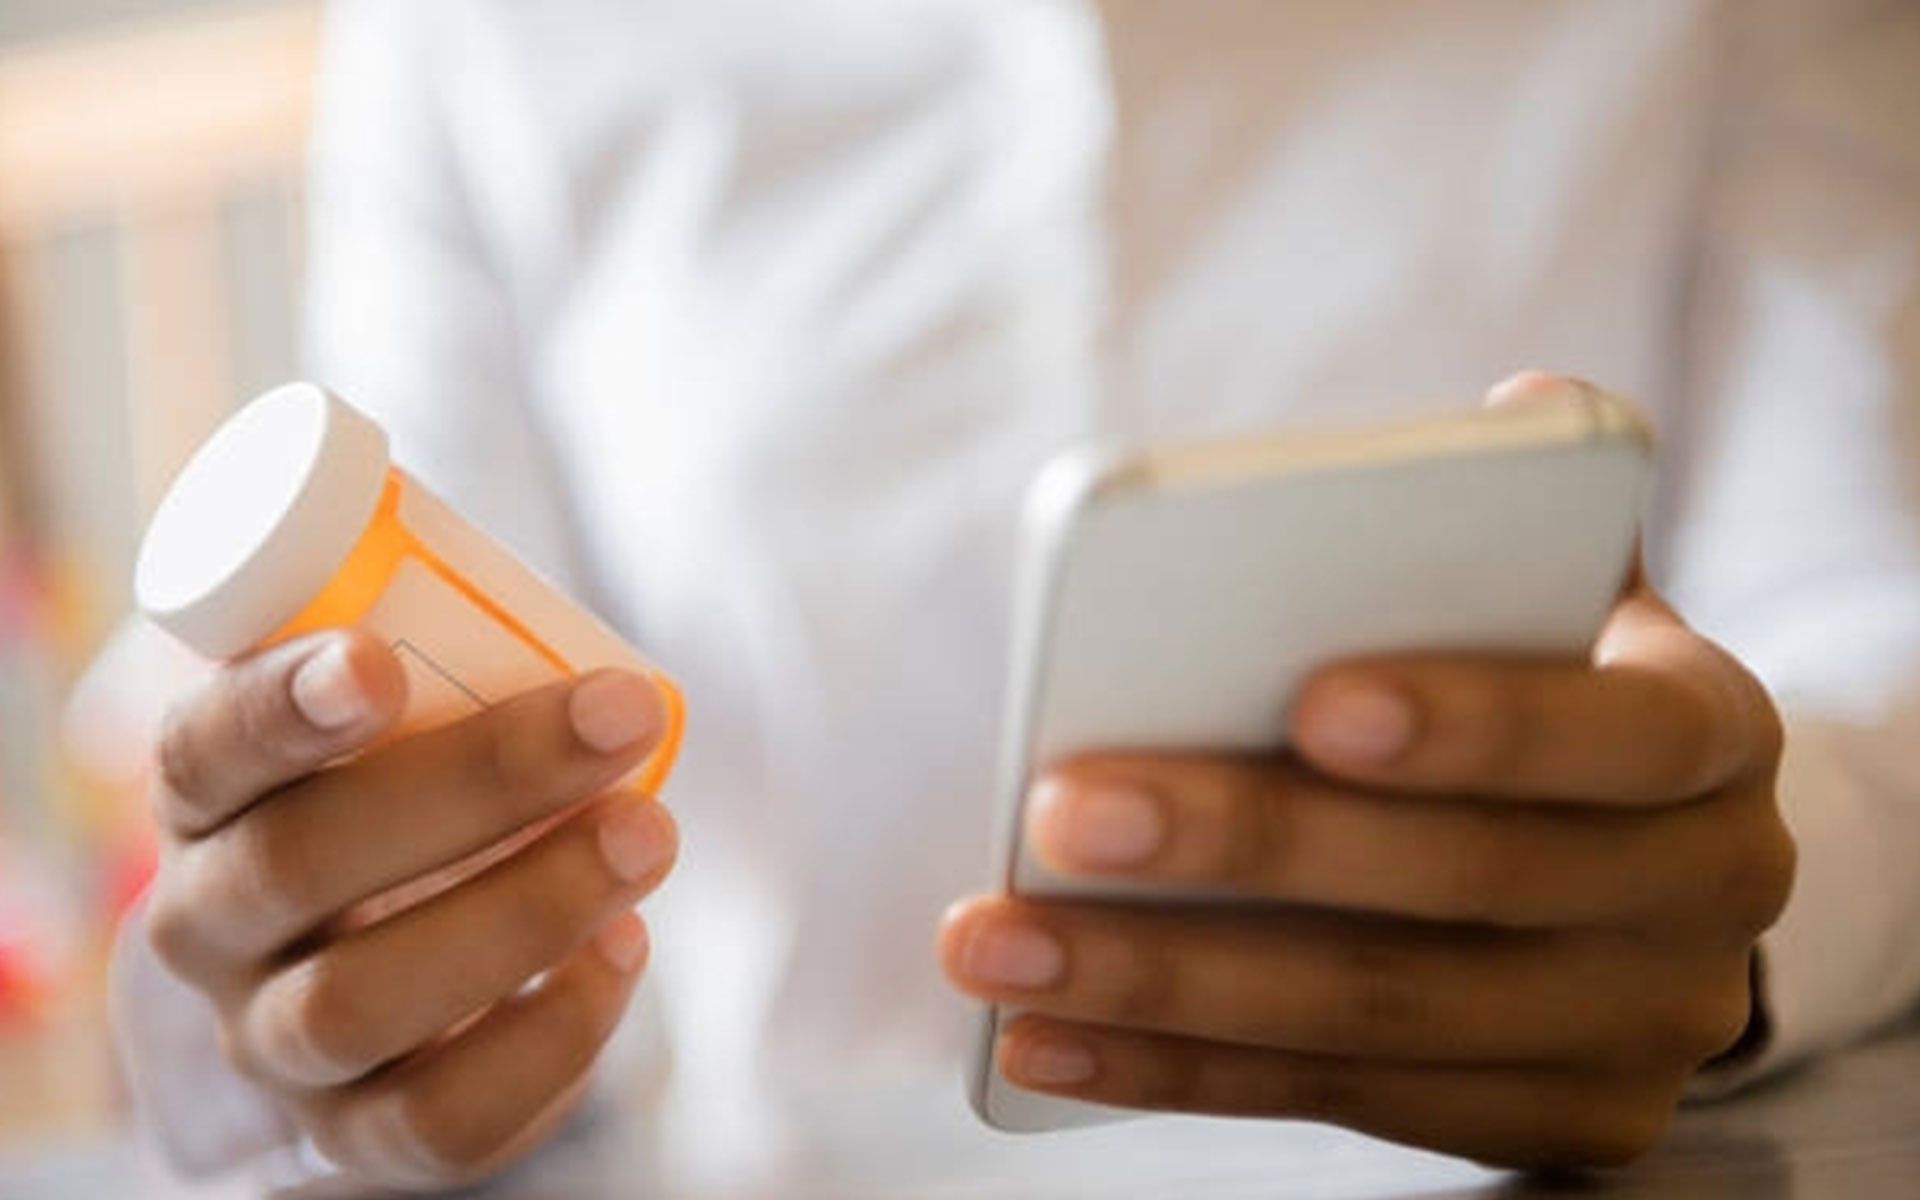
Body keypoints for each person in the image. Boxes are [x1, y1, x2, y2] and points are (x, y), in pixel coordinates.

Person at [108, 1, 1920, 1192]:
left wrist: (1745, 898)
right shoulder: (478, 41)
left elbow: (1870, 614)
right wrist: (304, 1003)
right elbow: (361, 788)